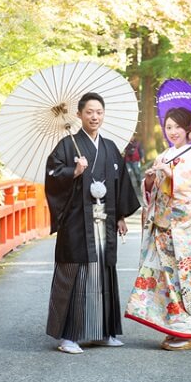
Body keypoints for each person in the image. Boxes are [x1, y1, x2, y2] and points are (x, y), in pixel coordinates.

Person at [44, 92, 141, 354]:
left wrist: (120, 215)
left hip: (104, 221)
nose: (94, 116)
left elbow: (120, 184)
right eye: (89, 112)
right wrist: (72, 172)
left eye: (98, 112)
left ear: (103, 114)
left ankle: (102, 332)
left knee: (103, 275)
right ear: (79, 115)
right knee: (77, 275)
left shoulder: (109, 147)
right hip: (77, 223)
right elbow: (52, 177)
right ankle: (68, 337)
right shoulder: (67, 146)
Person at [124, 107, 191, 350]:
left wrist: (173, 176)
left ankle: (188, 330)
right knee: (166, 278)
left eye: (178, 127)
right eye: (169, 127)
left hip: (187, 231)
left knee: (185, 278)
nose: (173, 132)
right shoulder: (165, 154)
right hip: (164, 226)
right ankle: (173, 327)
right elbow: (156, 192)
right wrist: (150, 181)